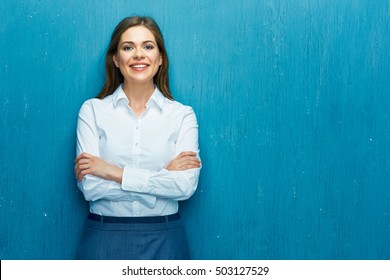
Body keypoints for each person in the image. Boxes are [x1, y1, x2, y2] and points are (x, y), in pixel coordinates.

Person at [74, 16, 201, 260]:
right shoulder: (92, 111)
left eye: (148, 46)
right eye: (128, 47)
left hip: (166, 240)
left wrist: (113, 172)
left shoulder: (182, 115)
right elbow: (91, 187)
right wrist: (162, 177)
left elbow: (184, 186)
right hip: (103, 237)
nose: (138, 54)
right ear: (115, 59)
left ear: (160, 58)